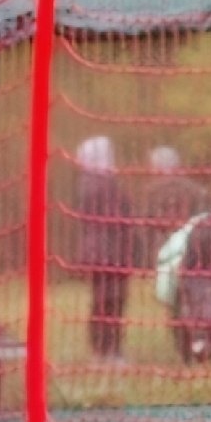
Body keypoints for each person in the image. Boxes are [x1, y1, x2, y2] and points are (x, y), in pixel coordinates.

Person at [68, 135, 140, 360]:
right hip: (110, 252)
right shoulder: (102, 185)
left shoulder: (90, 182)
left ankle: (103, 347)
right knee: (111, 302)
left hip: (102, 251)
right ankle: (108, 348)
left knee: (104, 301)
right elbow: (119, 218)